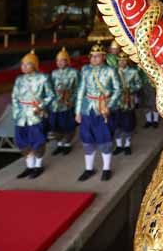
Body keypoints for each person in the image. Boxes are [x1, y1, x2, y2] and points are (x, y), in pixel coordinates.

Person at [75, 42, 122, 181]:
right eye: (92, 56)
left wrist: (110, 105)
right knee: (87, 138)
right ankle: (89, 168)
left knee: (104, 138)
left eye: (98, 56)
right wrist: (78, 111)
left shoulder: (111, 71)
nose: (94, 59)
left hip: (103, 107)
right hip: (87, 108)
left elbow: (118, 90)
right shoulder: (85, 70)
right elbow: (81, 90)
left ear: (104, 57)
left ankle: (106, 168)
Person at [11, 50, 55, 179]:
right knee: (21, 142)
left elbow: (51, 95)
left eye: (27, 64)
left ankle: (38, 166)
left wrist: (40, 107)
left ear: (34, 65)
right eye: (22, 64)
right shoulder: (19, 79)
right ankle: (29, 166)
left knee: (38, 141)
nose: (23, 67)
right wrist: (16, 112)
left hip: (36, 114)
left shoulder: (43, 78)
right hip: (21, 115)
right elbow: (14, 97)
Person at [49, 47, 79, 156]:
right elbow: (51, 88)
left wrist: (72, 100)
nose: (60, 63)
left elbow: (78, 88)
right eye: (58, 61)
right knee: (55, 125)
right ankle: (59, 144)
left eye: (62, 60)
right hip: (56, 105)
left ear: (67, 61)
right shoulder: (54, 73)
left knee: (68, 125)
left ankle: (67, 144)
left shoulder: (74, 73)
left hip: (67, 104)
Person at [114, 51, 142, 154]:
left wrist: (130, 89)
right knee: (117, 125)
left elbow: (139, 84)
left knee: (128, 124)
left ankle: (127, 145)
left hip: (128, 102)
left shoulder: (133, 72)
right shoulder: (114, 72)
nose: (122, 62)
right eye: (120, 61)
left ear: (127, 61)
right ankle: (118, 145)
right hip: (116, 102)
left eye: (124, 60)